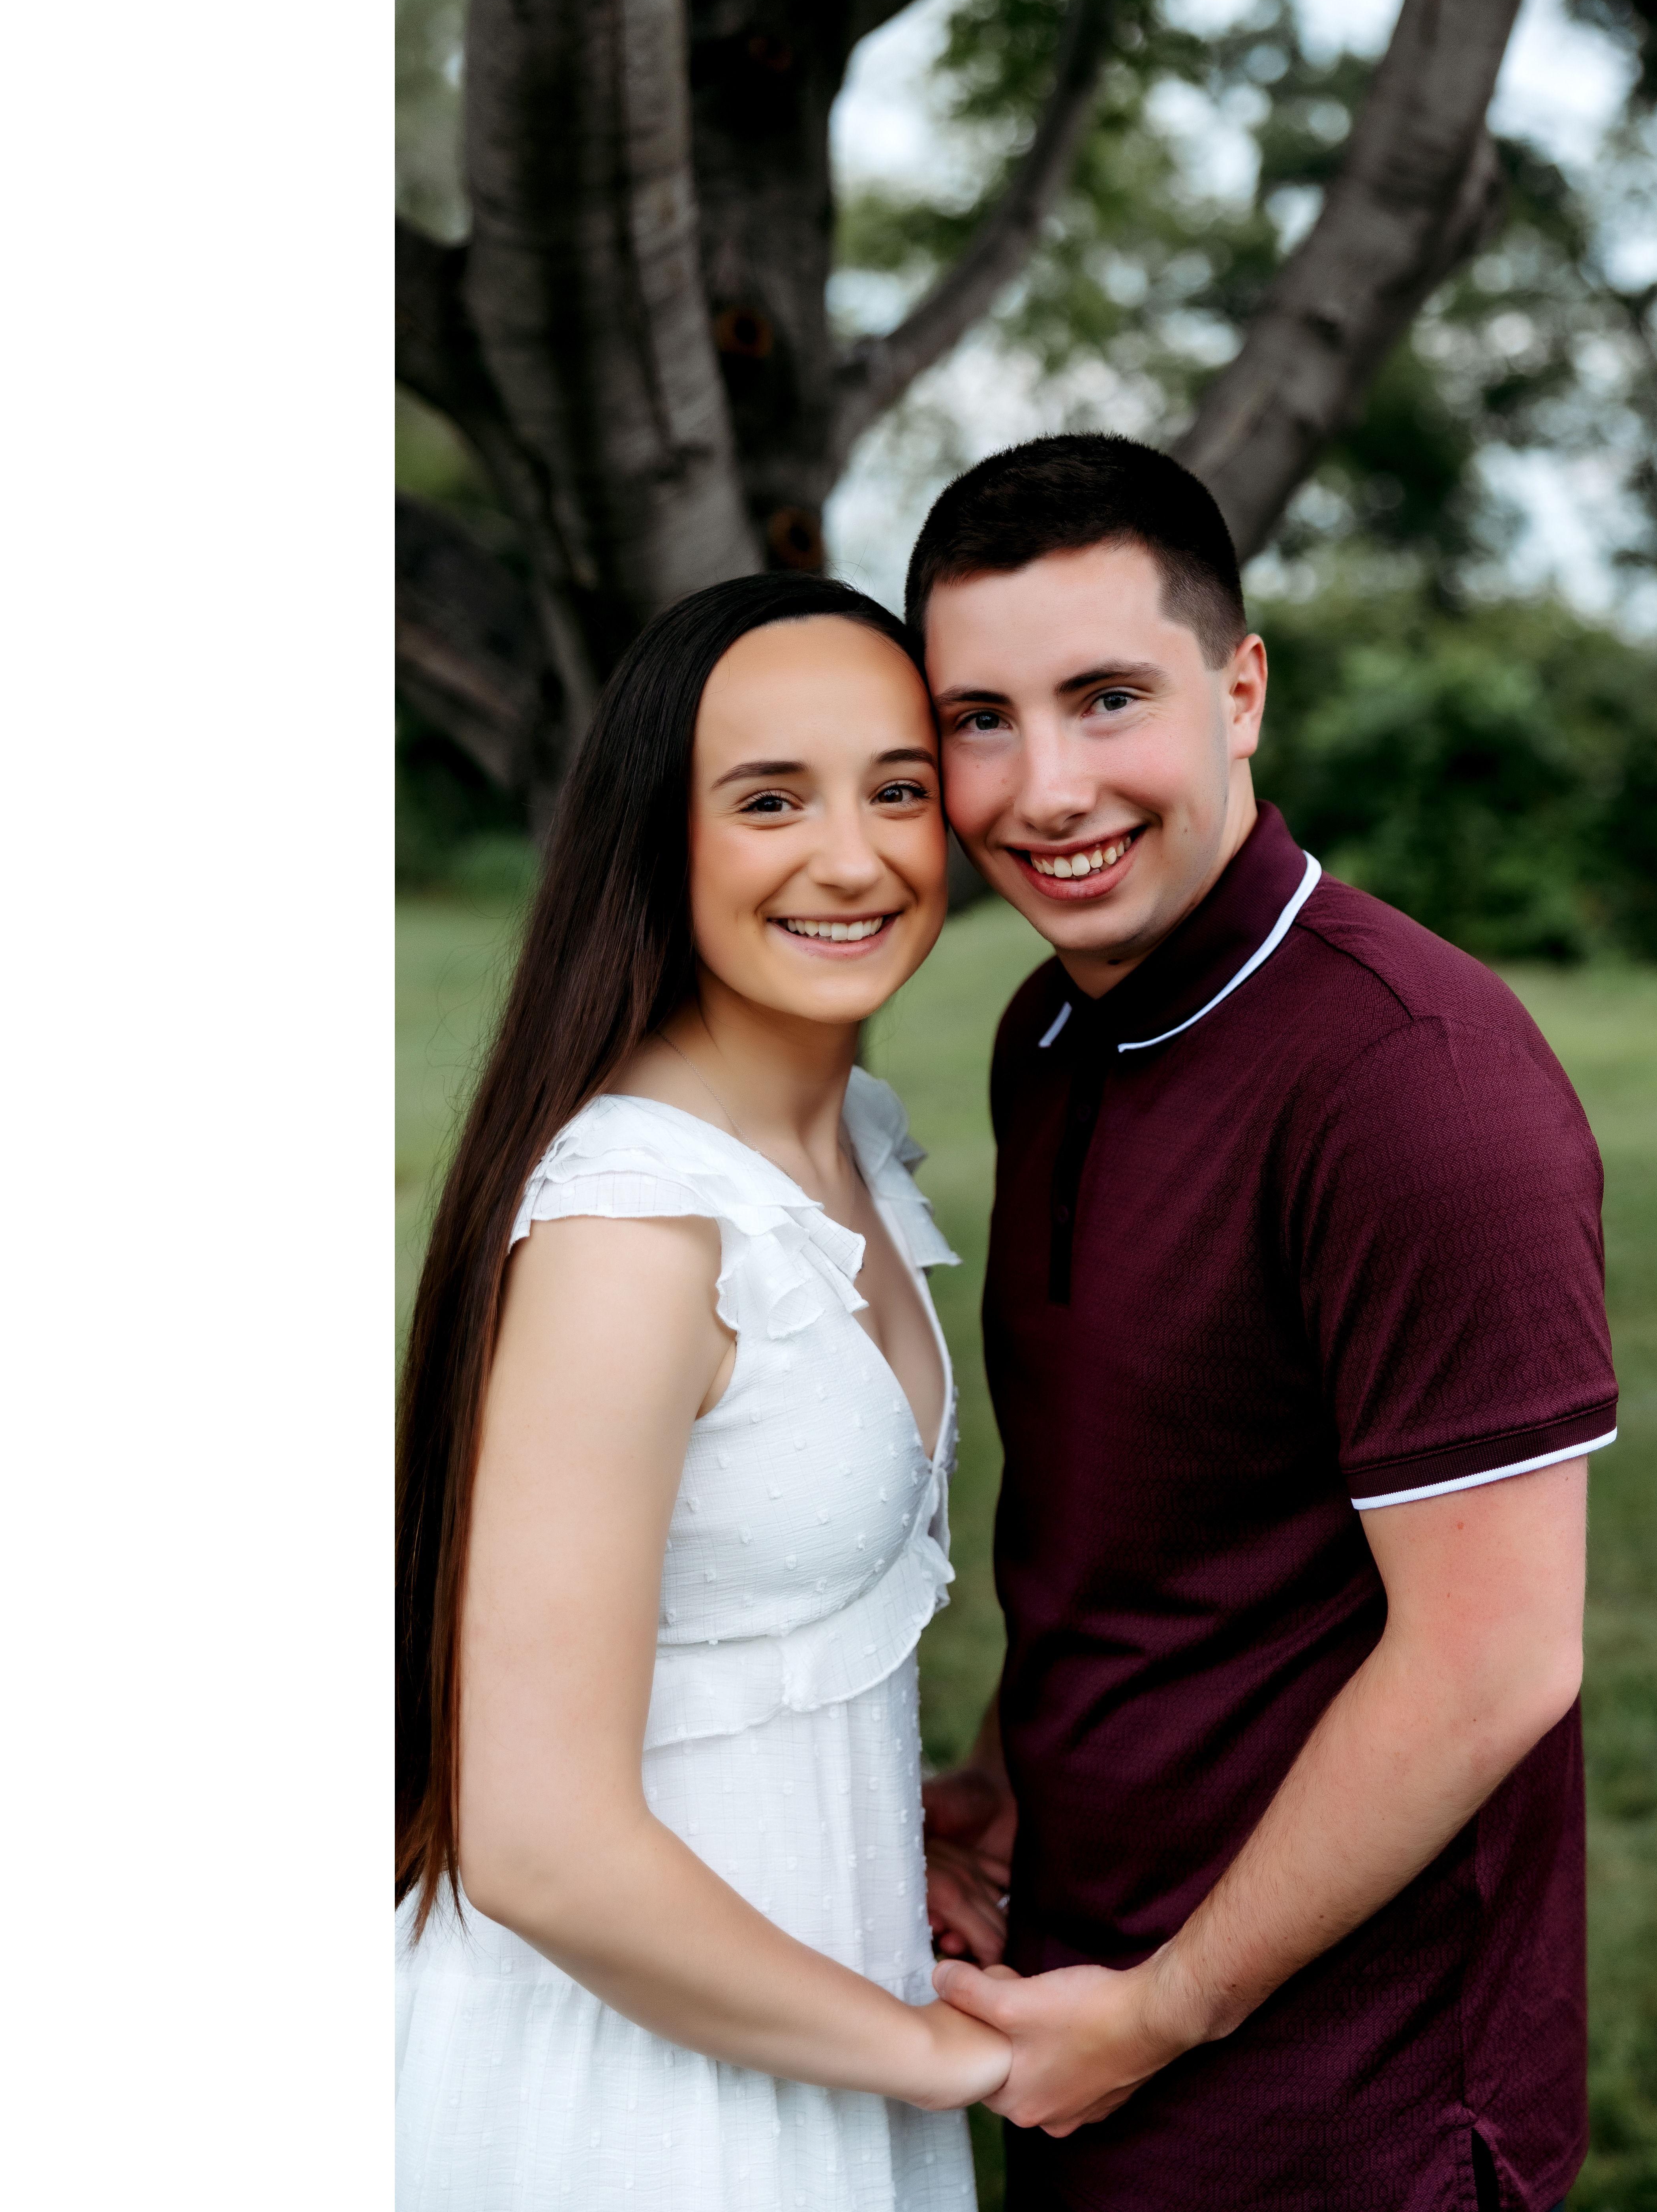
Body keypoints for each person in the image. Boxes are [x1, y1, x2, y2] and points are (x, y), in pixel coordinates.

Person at [910, 436, 1619, 2212]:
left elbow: (1494, 1664)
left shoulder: (1416, 1088)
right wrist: (1011, 1779)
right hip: (1089, 2032)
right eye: (982, 719)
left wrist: (1156, 2015)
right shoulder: (1048, 1035)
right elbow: (1145, 1511)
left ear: (1240, 693)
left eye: (1107, 700)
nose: (1046, 789)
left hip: (1350, 2112)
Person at [395, 573, 1011, 2210]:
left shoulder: (847, 1145)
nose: (853, 858)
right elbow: (537, 1845)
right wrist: (951, 2059)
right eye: (770, 800)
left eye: (898, 790)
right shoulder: (638, 1228)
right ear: (656, 840)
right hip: (637, 2090)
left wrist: (889, 1835)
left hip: (797, 1983)